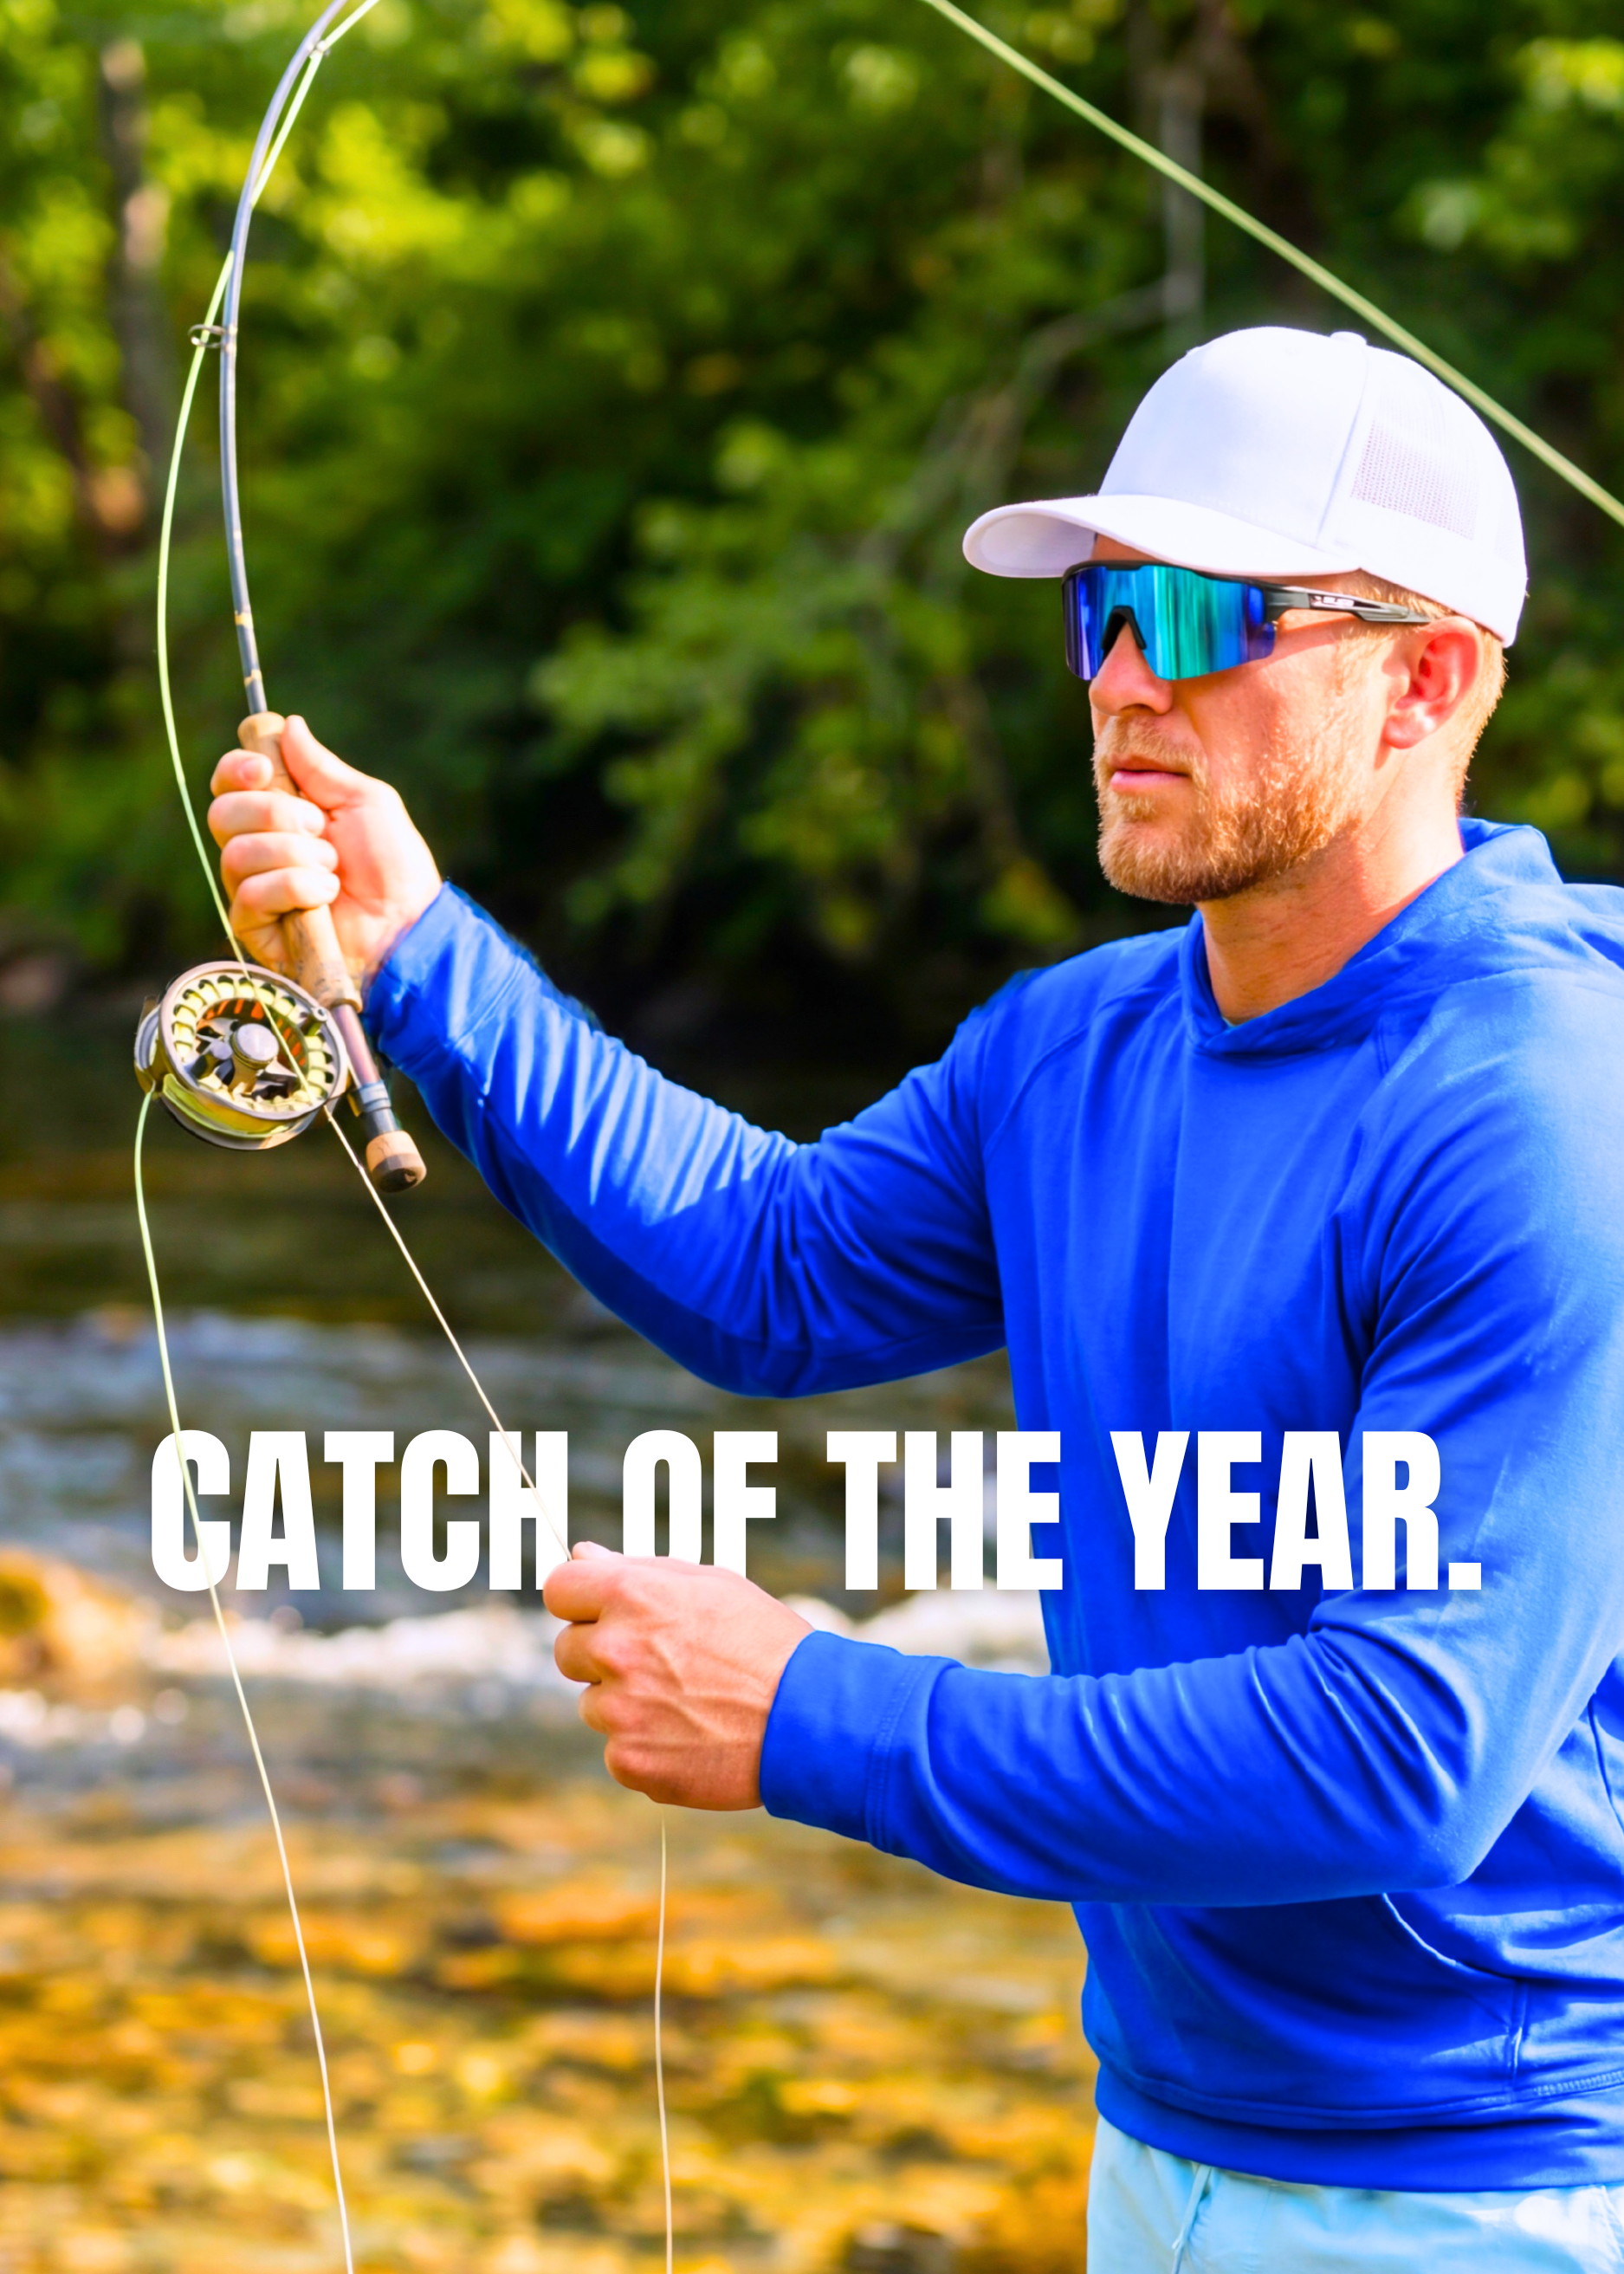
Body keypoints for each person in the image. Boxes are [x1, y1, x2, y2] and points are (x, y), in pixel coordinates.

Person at [208, 327, 1624, 2271]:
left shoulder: (1540, 1107)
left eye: (1202, 613)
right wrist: (417, 953)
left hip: (1503, 2191)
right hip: (1162, 2140)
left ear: (1427, 680)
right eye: (1101, 611)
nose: (1123, 676)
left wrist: (810, 1712)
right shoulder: (1073, 1046)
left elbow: (1402, 1755)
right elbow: (765, 1271)